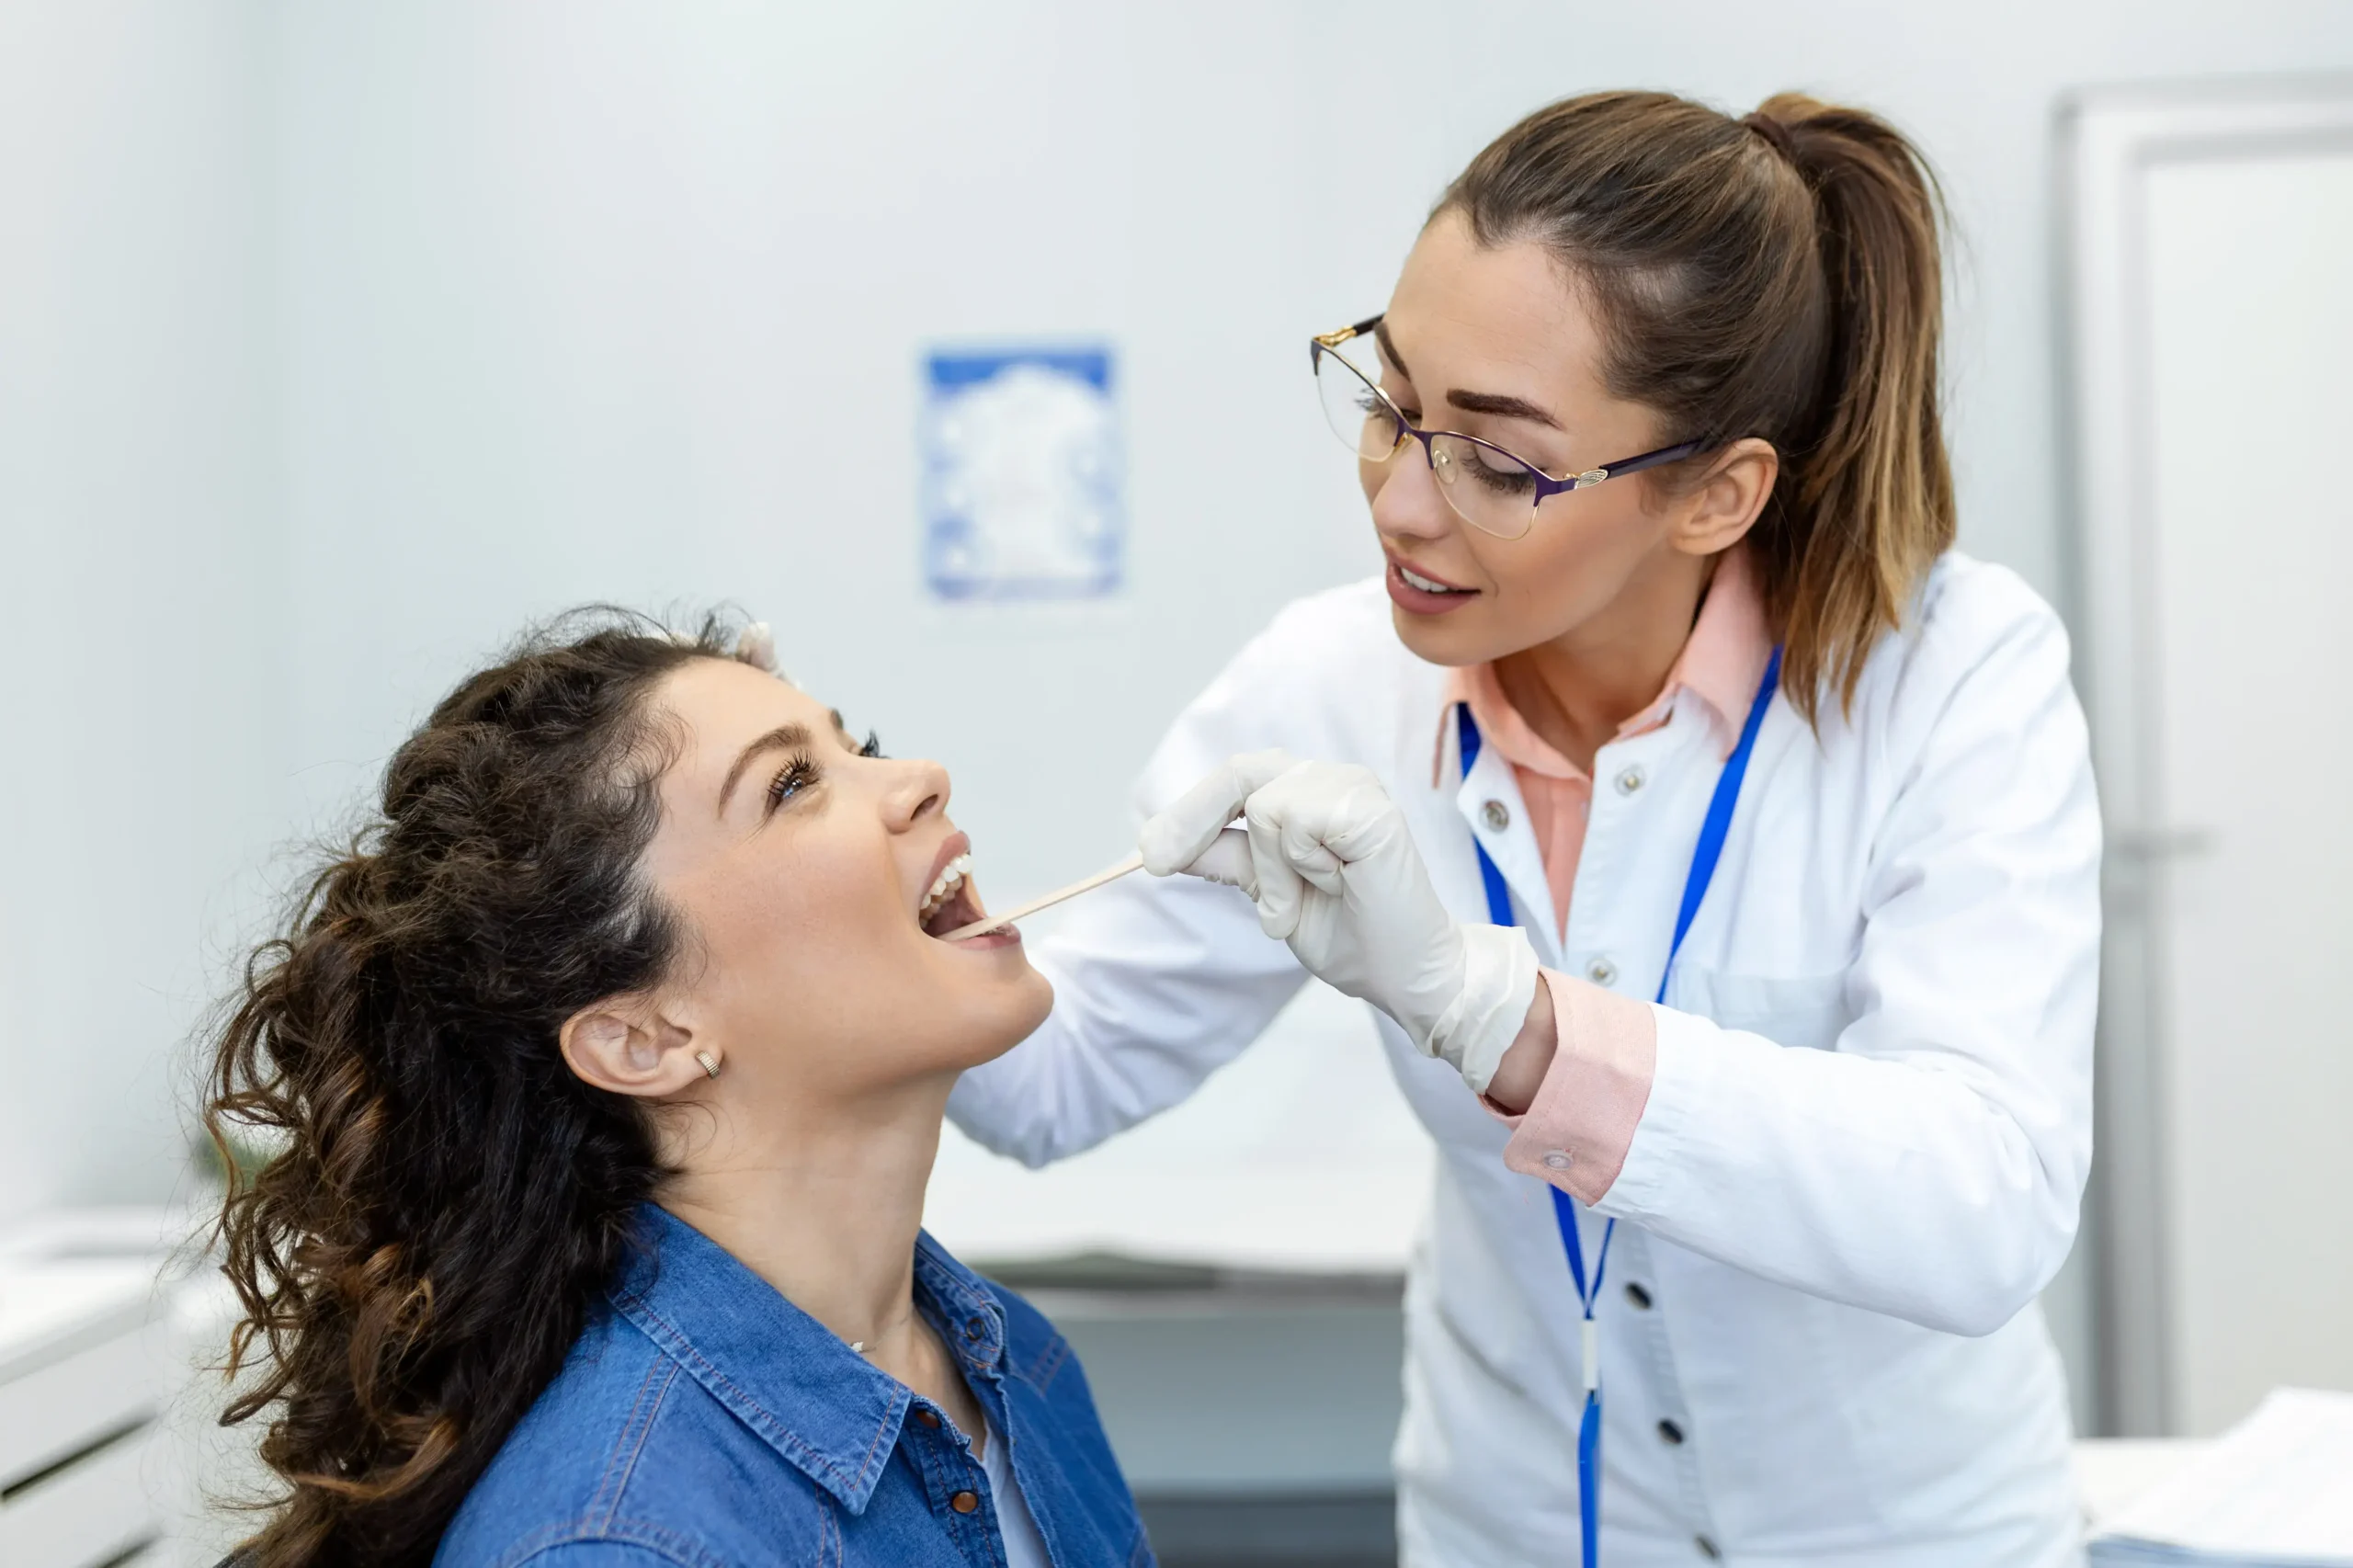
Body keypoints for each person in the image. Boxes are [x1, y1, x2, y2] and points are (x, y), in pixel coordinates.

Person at [948, 90, 2100, 1566]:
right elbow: (1061, 1079)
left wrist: (1506, 1020)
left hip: (1899, 1533)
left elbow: (1979, 1199)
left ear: (1714, 494)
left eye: (1497, 461)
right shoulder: (1325, 686)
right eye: (1388, 398)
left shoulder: (1947, 676)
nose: (1400, 501)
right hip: (1520, 1523)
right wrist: (875, 908)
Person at [203, 613, 1149, 1568]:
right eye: (791, 782)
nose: (920, 775)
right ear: (645, 1036)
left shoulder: (1015, 1363)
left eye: (855, 743)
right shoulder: (620, 1545)